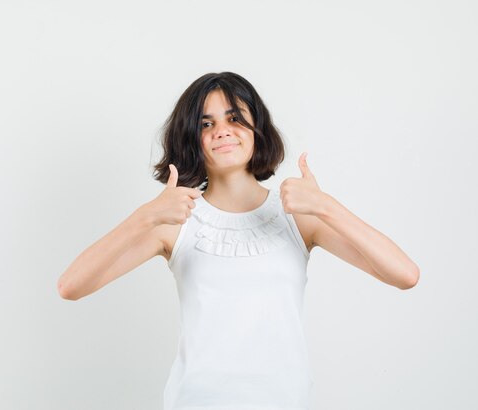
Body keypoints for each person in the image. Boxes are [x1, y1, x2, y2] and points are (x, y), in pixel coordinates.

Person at [56, 71, 420, 409]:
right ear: (191, 138)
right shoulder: (174, 220)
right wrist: (146, 215)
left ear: (256, 127)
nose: (222, 131)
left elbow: (405, 274)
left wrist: (327, 207)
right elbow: (71, 286)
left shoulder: (298, 217)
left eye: (234, 118)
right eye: (206, 123)